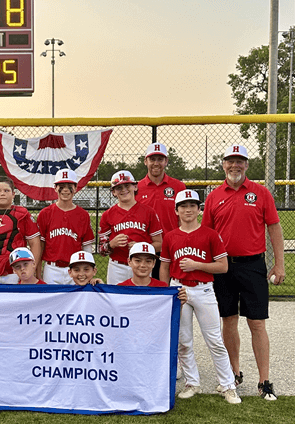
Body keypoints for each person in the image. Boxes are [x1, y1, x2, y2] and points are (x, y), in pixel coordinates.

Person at [201, 144, 285, 401]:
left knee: (257, 323)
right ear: (223, 164)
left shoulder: (260, 193)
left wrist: (279, 263)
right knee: (228, 320)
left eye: (240, 161)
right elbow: (206, 235)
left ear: (247, 165)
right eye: (230, 161)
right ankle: (233, 374)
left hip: (252, 265)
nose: (235, 165)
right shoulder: (214, 196)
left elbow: (274, 228)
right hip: (223, 266)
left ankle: (264, 381)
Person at [159, 190, 240, 404]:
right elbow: (165, 267)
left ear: (199, 209)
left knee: (214, 339)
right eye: (183, 206)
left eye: (192, 205)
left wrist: (197, 265)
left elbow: (222, 266)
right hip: (178, 289)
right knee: (183, 341)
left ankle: (228, 385)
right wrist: (165, 290)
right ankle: (192, 382)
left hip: (204, 289)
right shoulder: (170, 236)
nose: (188, 209)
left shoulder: (210, 234)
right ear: (176, 210)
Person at [98, 170, 163, 286]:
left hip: (142, 266)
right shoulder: (107, 215)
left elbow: (159, 244)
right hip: (118, 267)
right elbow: (101, 250)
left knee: (142, 300)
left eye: (127, 185)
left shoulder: (148, 212)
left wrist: (141, 247)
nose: (124, 190)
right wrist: (111, 244)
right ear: (113, 192)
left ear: (135, 187)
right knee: (116, 301)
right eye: (119, 188)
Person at [135, 142, 187, 279]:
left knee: (171, 292)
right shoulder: (137, 188)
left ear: (166, 161)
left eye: (160, 159)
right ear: (145, 161)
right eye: (152, 159)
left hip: (172, 250)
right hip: (145, 252)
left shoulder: (178, 186)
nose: (156, 163)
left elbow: (184, 220)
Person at [36, 168, 95, 284]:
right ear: (55, 188)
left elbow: (87, 247)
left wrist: (88, 273)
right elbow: (40, 247)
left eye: (69, 186)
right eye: (61, 186)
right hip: (51, 268)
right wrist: (38, 273)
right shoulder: (45, 213)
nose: (66, 190)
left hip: (75, 269)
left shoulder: (83, 215)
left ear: (76, 188)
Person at [117, 242, 188, 305]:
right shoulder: (120, 288)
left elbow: (170, 317)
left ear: (154, 263)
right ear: (129, 262)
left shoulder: (162, 287)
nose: (143, 265)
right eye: (138, 261)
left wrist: (179, 304)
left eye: (148, 261)